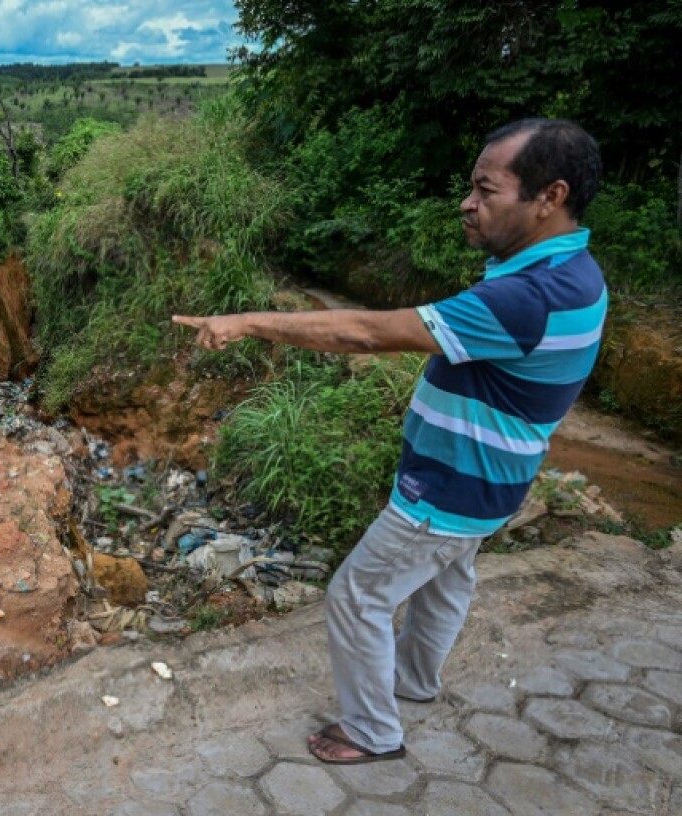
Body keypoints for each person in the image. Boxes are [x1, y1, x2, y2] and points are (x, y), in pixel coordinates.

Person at [173, 119, 605, 765]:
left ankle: (372, 731)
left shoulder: (529, 296)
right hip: (493, 486)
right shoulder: (576, 272)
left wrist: (246, 322)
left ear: (550, 195)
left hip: (453, 485)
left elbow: (366, 334)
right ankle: (414, 681)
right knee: (446, 580)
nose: (468, 202)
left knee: (358, 595)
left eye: (486, 189)